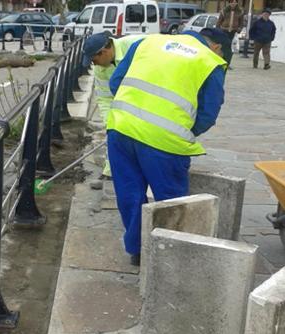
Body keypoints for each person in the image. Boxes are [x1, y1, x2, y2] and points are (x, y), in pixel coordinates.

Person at [106, 29, 228, 265]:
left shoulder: (146, 42)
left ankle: (137, 251)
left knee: (129, 193)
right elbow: (208, 113)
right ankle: (168, 259)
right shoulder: (210, 61)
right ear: (216, 47)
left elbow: (115, 83)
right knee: (170, 200)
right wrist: (185, 130)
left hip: (121, 129)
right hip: (165, 141)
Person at [81, 32, 146, 178]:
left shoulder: (137, 45)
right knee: (115, 134)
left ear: (104, 52)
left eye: (94, 60)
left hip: (151, 98)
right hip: (129, 102)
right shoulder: (101, 69)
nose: (94, 64)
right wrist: (110, 123)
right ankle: (111, 171)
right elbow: (104, 98)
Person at [217, 0, 244, 66]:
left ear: (237, 3)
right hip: (224, 30)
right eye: (232, 2)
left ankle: (227, 63)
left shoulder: (240, 11)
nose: (233, 4)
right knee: (223, 47)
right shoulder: (224, 11)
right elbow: (219, 21)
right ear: (229, 3)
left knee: (230, 48)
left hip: (233, 32)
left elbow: (241, 22)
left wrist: (239, 29)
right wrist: (217, 30)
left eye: (235, 2)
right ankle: (220, 62)